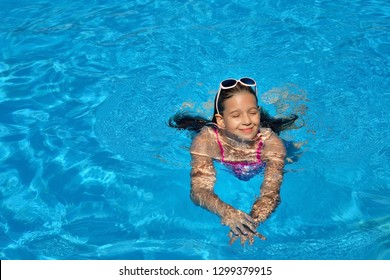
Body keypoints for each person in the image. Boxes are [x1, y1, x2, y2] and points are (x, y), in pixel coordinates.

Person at [168, 77, 298, 246]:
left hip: (261, 155)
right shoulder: (207, 142)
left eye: (253, 112)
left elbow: (271, 194)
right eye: (236, 115)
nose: (247, 120)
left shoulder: (271, 144)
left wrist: (251, 222)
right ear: (221, 121)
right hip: (223, 145)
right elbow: (199, 191)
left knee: (294, 155)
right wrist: (227, 212)